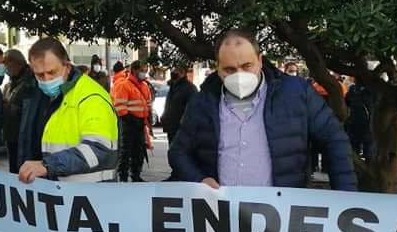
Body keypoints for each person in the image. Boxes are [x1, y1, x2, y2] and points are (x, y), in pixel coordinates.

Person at [169, 29, 357, 190]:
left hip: (281, 213)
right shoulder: (202, 103)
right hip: (221, 213)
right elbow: (178, 152)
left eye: (247, 66)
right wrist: (199, 180)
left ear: (260, 60)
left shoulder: (297, 93)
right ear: (217, 68)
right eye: (229, 70)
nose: (239, 76)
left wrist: (344, 199)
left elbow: (335, 139)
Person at [16, 37, 118, 183]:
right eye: (40, 75)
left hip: (88, 192)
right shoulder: (37, 95)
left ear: (67, 67)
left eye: (52, 72)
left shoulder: (91, 96)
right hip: (50, 189)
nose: (46, 80)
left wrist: (47, 165)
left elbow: (99, 149)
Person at [112, 60, 152, 182]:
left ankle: (136, 175)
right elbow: (120, 107)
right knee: (126, 151)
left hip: (140, 123)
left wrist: (147, 118)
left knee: (139, 151)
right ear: (134, 70)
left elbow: (148, 104)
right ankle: (123, 176)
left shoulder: (144, 86)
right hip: (128, 124)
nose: (144, 73)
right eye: (142, 70)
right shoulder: (124, 85)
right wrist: (132, 119)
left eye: (145, 71)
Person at [0, 49, 36, 174]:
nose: (4, 67)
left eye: (6, 63)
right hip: (11, 134)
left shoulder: (31, 82)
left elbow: (32, 110)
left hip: (24, 137)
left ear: (16, 63)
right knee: (13, 171)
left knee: (23, 172)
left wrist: (11, 108)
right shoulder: (11, 83)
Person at [161, 63, 197, 145]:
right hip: (171, 128)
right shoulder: (173, 86)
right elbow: (170, 105)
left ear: (182, 73)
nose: (173, 72)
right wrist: (165, 117)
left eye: (176, 70)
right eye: (173, 69)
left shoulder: (189, 88)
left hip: (182, 130)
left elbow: (194, 109)